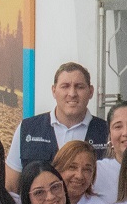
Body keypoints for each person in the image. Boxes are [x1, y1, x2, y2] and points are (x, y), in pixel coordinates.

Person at [7, 62, 109, 191]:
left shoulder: (107, 132)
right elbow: (11, 185)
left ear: (91, 92)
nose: (72, 93)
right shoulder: (27, 128)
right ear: (54, 91)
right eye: (65, 86)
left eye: (79, 87)